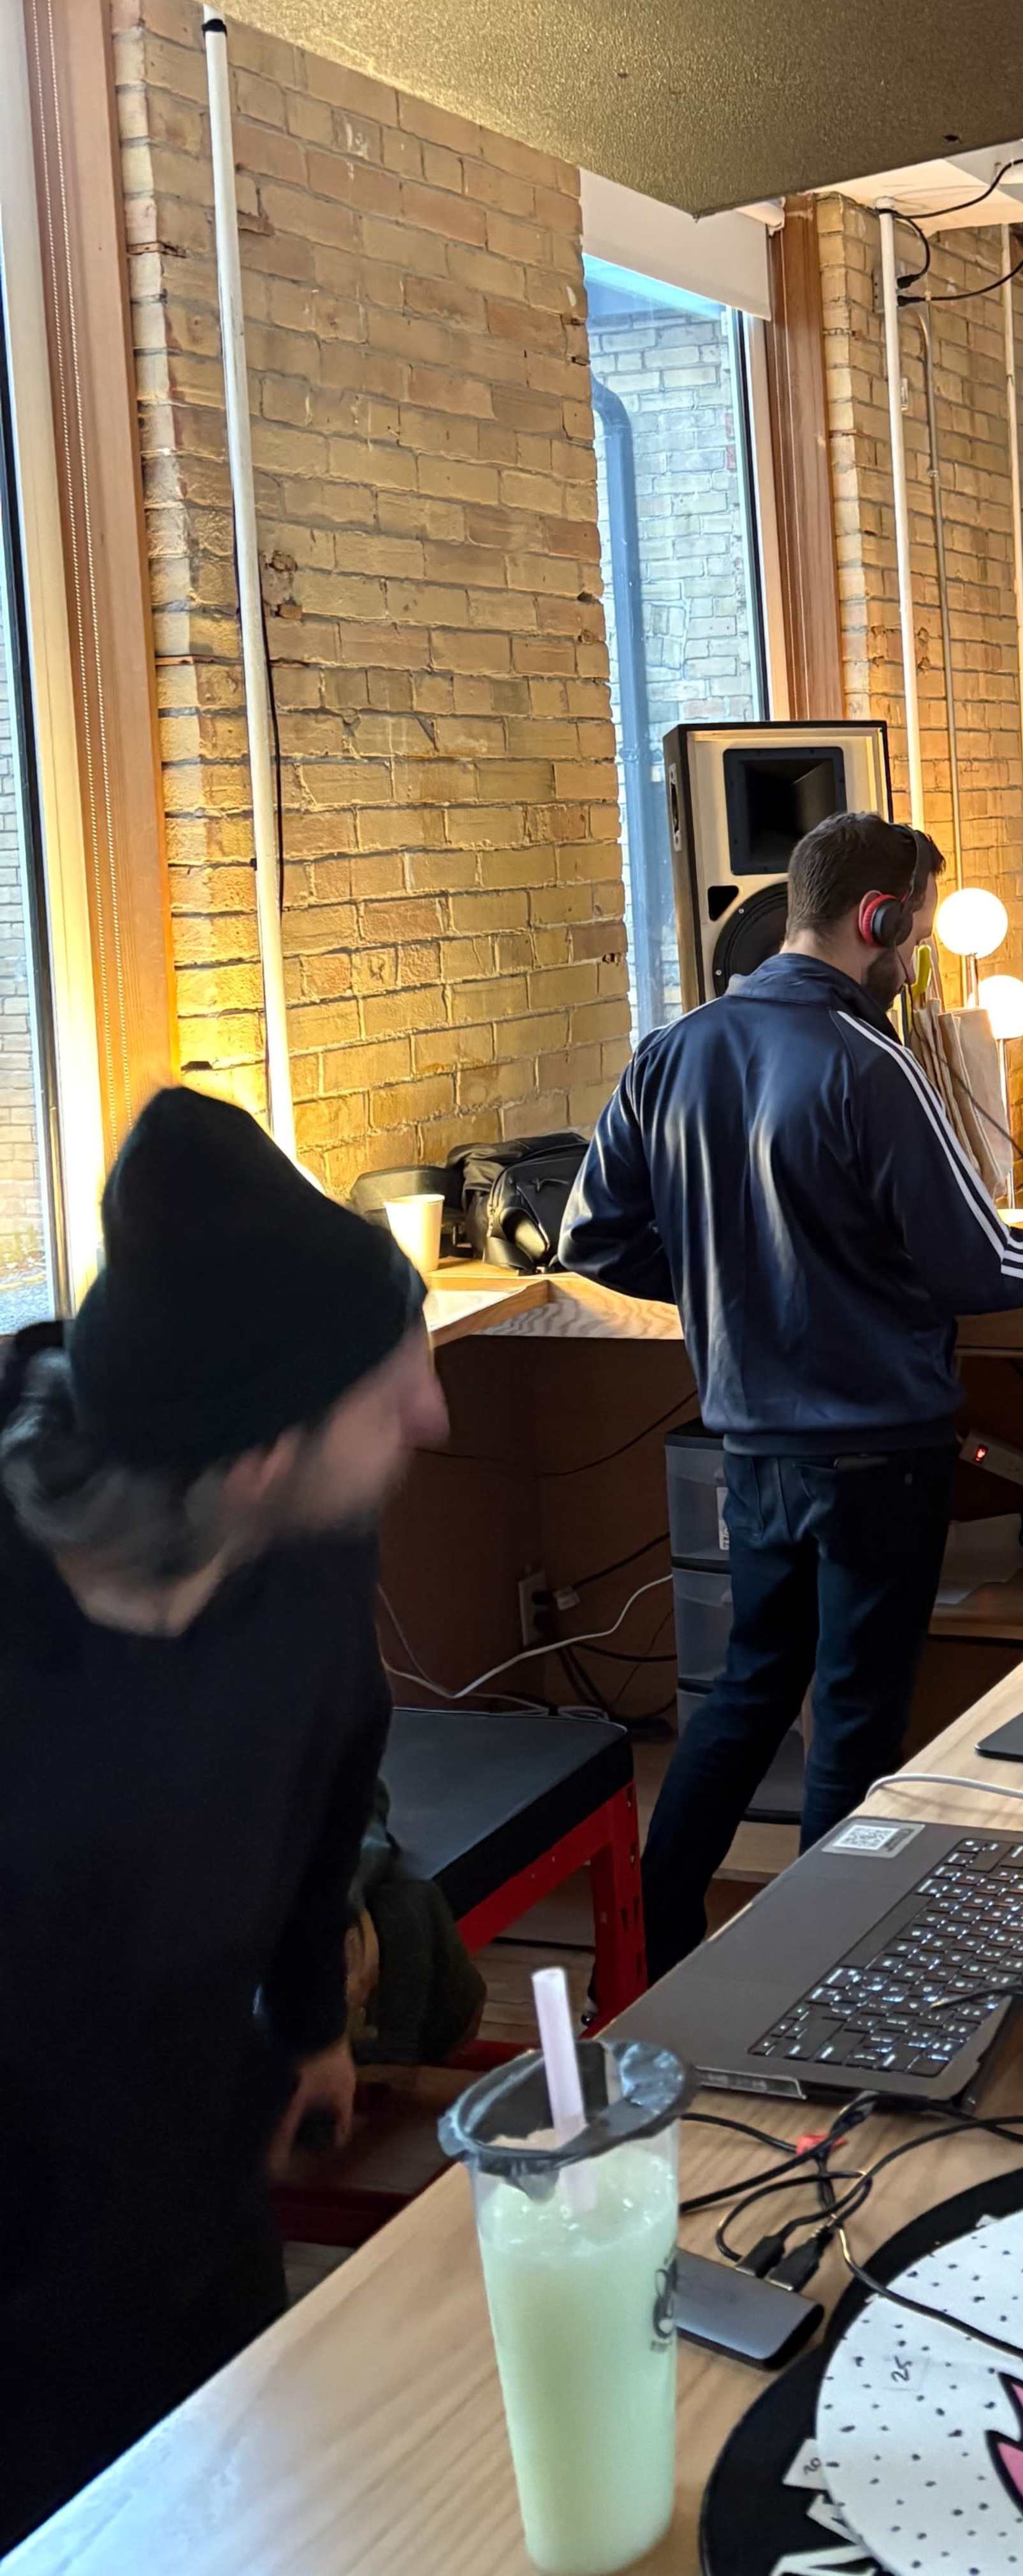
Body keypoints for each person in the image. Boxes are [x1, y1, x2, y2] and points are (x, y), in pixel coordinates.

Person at [0, 1088, 446, 2549]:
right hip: (22, 2255)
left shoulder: (303, 1533)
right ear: (258, 1452)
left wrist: (312, 2011)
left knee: (245, 2510)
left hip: (199, 2161)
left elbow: (339, 1749)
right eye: (393, 1391)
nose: (432, 1415)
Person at [560, 810, 1023, 1976]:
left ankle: (657, 1947)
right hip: (879, 1453)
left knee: (749, 1689)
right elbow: (979, 1266)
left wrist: (727, 1278)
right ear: (881, 917)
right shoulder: (870, 1061)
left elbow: (593, 1243)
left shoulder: (670, 1049)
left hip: (751, 1447)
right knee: (853, 1718)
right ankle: (825, 1972)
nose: (913, 964)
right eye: (912, 936)